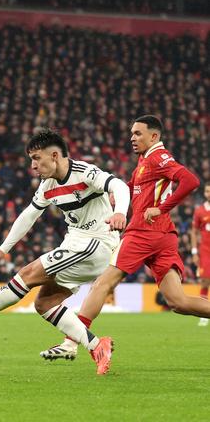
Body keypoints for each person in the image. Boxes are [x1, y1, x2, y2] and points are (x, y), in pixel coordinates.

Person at [0, 129, 130, 375]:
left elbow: (120, 186)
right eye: (31, 159)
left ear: (55, 155)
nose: (33, 165)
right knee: (44, 303)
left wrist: (120, 211)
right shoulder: (48, 185)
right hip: (75, 244)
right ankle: (96, 346)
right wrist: (4, 248)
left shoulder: (84, 172)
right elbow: (30, 214)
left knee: (27, 273)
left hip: (96, 243)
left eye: (37, 158)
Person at [44, 115, 202, 366]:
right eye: (132, 133)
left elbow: (190, 181)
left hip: (143, 232)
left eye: (138, 133)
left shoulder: (158, 157)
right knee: (178, 302)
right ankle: (72, 342)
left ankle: (70, 342)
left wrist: (161, 208)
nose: (132, 137)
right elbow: (132, 188)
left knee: (102, 285)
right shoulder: (144, 162)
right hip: (163, 235)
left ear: (154, 136)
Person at [191, 182, 210, 326]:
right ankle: (204, 315)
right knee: (205, 281)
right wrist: (194, 251)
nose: (209, 194)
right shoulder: (200, 211)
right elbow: (194, 232)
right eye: (207, 191)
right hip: (205, 250)